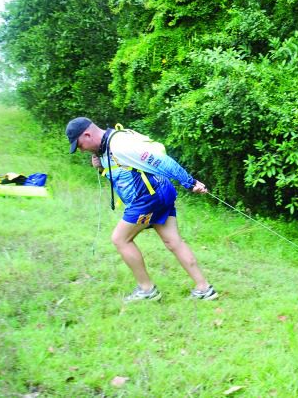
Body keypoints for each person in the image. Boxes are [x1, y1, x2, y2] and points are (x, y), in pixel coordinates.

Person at [65, 117, 217, 302]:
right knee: (173, 241)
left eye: (79, 145)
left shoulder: (120, 144)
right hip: (160, 192)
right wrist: (99, 166)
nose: (80, 150)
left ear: (87, 134)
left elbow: (162, 161)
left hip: (148, 198)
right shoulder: (105, 148)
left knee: (120, 239)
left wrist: (190, 182)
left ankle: (147, 290)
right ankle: (204, 288)